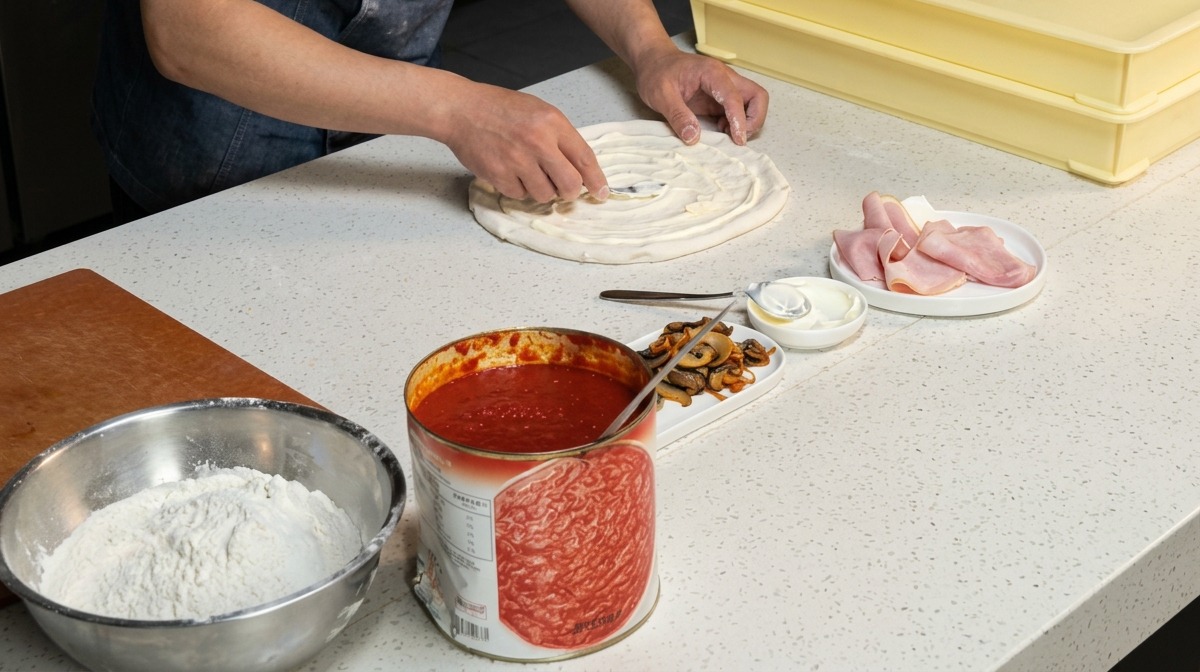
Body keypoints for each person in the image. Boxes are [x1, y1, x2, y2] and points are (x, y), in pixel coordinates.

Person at [93, 0, 770, 222]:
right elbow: (187, 26)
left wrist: (648, 48)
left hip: (391, 148)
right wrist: (455, 109)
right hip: (211, 170)